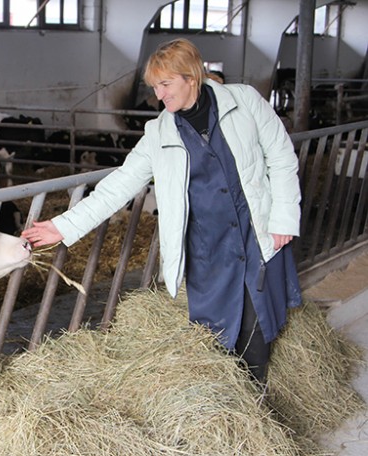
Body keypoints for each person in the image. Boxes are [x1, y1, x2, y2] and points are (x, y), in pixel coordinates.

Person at [22, 38, 302, 384]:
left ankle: (252, 406)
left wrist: (283, 218)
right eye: (155, 87)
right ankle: (221, 409)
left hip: (255, 232)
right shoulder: (158, 132)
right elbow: (120, 184)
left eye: (166, 85)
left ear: (192, 77)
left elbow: (281, 156)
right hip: (207, 249)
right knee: (214, 336)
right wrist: (63, 226)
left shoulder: (244, 102)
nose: (159, 96)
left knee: (256, 328)